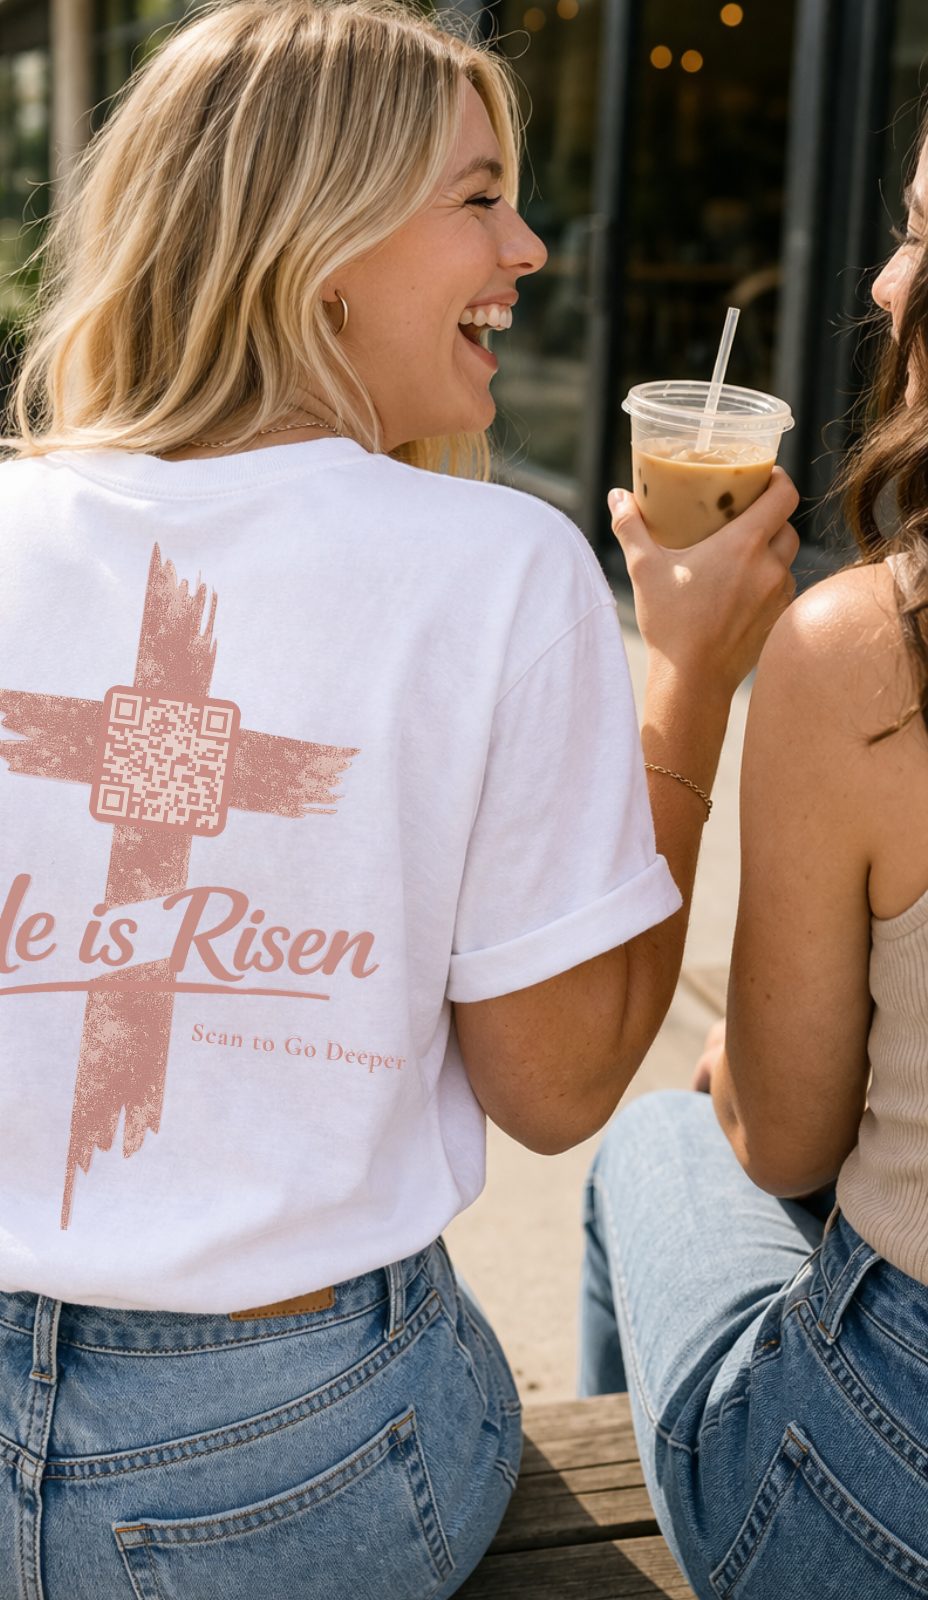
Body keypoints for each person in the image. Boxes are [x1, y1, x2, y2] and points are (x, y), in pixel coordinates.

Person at [0, 3, 796, 1596]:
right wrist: (693, 680)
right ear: (323, 250)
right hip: (282, 1479)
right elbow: (557, 1088)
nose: (529, 247)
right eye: (478, 198)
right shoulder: (503, 573)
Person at [579, 110, 928, 1600]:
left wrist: (692, 672)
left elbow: (781, 1143)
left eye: (921, 234)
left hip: (887, 1493)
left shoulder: (871, 654)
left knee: (650, 1141)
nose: (888, 283)